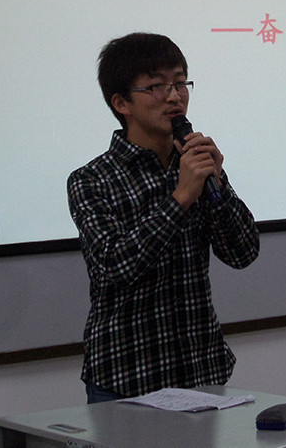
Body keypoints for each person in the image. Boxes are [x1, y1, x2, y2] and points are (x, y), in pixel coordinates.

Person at [67, 32, 260, 404]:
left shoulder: (196, 164)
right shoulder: (92, 180)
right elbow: (114, 267)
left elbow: (243, 253)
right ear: (121, 102)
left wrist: (217, 184)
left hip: (202, 373)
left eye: (180, 83)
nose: (174, 97)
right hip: (127, 379)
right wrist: (180, 197)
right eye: (156, 86)